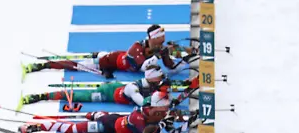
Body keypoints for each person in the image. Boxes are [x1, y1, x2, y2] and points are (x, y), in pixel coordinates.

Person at [23, 25, 191, 77]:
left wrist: (185, 59)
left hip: (118, 59)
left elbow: (170, 65)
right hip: (109, 62)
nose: (162, 41)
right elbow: (141, 67)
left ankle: (98, 53)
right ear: (152, 38)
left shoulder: (158, 48)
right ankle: (44, 65)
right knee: (77, 66)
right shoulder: (136, 48)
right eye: (160, 38)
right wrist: (160, 55)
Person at [14, 93, 170, 133]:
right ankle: (36, 127)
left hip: (115, 120)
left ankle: (92, 114)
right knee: (72, 130)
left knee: (100, 116)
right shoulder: (139, 117)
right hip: (107, 125)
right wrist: (163, 126)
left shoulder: (150, 112)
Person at [20, 67, 167, 108]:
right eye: (159, 77)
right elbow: (143, 103)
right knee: (80, 96)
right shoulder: (133, 89)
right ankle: (42, 96)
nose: (161, 80)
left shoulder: (148, 83)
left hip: (116, 88)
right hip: (107, 93)